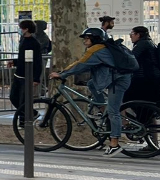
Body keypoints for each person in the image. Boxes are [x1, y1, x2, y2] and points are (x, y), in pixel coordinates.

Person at [51, 27, 131, 156]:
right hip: (114, 77)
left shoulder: (96, 50)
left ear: (95, 39)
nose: (84, 41)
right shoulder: (101, 48)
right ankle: (101, 108)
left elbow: (80, 64)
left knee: (113, 111)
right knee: (91, 84)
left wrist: (62, 74)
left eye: (87, 38)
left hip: (118, 80)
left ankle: (114, 143)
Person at [126, 25, 160, 104]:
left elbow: (131, 58)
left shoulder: (142, 44)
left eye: (131, 34)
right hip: (151, 77)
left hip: (145, 78)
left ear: (138, 35)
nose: (130, 36)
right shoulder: (148, 42)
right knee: (143, 101)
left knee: (127, 96)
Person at [9, 20, 44, 113]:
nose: (20, 29)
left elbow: (37, 61)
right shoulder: (23, 39)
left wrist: (36, 78)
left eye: (21, 28)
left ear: (26, 29)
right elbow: (22, 57)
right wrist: (14, 62)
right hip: (18, 74)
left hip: (27, 76)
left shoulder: (34, 43)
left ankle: (24, 118)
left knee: (23, 100)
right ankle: (30, 114)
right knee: (13, 97)